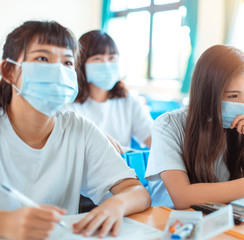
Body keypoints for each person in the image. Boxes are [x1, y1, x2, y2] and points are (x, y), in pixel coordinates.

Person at [0, 21, 151, 240]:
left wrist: (115, 205)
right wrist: (5, 224)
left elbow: (136, 191)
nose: (58, 71)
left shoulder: (79, 129)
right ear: (9, 71)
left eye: (67, 62)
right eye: (43, 58)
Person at [145, 45, 244, 209]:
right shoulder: (168, 125)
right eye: (233, 96)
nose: (243, 104)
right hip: (173, 224)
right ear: (208, 94)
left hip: (222, 220)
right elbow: (182, 197)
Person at [62, 30, 153, 151]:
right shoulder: (68, 105)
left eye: (111, 58)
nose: (106, 64)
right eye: (97, 58)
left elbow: (154, 140)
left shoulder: (128, 102)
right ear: (81, 63)